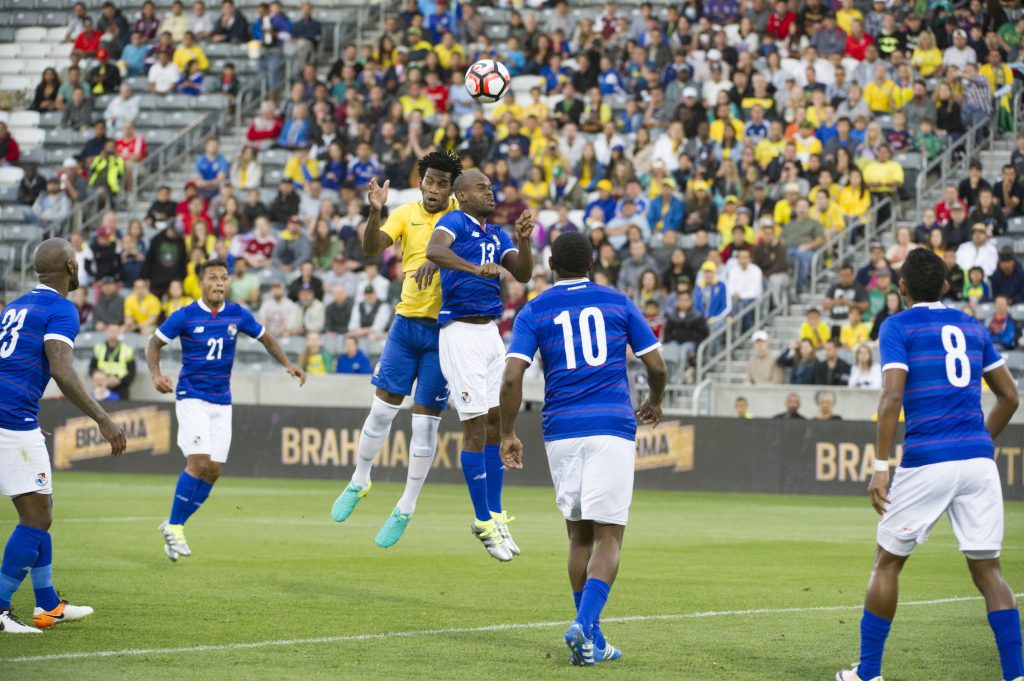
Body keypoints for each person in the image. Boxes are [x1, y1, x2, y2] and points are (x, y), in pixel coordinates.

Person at [837, 248, 1022, 681]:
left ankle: (867, 674)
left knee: (887, 563)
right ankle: (1015, 674)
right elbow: (1010, 397)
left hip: (927, 458)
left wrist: (881, 464)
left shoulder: (897, 325)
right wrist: (976, 441)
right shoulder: (973, 326)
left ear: (901, 288)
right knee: (989, 571)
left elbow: (892, 397)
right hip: (977, 461)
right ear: (944, 286)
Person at [499, 231, 666, 666]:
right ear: (591, 264)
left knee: (578, 535)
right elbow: (656, 365)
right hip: (610, 423)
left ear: (550, 265)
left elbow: (512, 377)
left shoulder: (533, 310)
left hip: (560, 429)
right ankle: (584, 626)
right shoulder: (617, 301)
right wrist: (655, 401)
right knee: (610, 535)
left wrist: (508, 432)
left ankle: (590, 642)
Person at [330, 151, 463, 547]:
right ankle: (359, 480)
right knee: (381, 412)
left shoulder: (463, 218)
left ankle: (406, 506)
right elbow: (372, 248)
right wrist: (375, 212)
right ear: (420, 181)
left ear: (452, 187)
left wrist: (437, 264)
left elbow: (474, 254)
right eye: (430, 181)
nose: (435, 189)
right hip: (406, 327)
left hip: (444, 331)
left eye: (443, 183)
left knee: (423, 425)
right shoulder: (405, 213)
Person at [0, 238, 126, 634]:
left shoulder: (16, 306)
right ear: (71, 266)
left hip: (13, 414)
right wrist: (103, 419)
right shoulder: (60, 308)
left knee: (40, 508)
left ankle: (48, 604)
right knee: (38, 515)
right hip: (11, 419)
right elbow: (62, 369)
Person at [147, 258, 306, 562]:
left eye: (224, 278)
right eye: (213, 278)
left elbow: (266, 338)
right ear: (201, 283)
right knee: (198, 462)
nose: (220, 283)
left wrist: (288, 364)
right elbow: (154, 344)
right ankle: (176, 526)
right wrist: (156, 375)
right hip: (192, 396)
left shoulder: (237, 314)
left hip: (222, 400)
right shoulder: (184, 316)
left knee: (214, 470)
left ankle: (173, 525)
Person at [424, 169, 534, 562]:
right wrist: (474, 269)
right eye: (482, 188)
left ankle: (496, 514)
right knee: (473, 428)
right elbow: (433, 252)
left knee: (493, 424)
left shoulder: (494, 233)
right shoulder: (453, 221)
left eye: (490, 187)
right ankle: (481, 521)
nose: (490, 192)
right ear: (462, 195)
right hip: (460, 333)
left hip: (489, 333)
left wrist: (523, 242)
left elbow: (523, 272)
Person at [88, 323, 135, 399]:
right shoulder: (99, 348)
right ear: (106, 332)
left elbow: (132, 372)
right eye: (110, 331)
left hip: (120, 387)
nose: (113, 334)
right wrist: (97, 375)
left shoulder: (127, 350)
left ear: (119, 333)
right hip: (102, 386)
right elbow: (91, 368)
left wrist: (120, 381)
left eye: (115, 331)